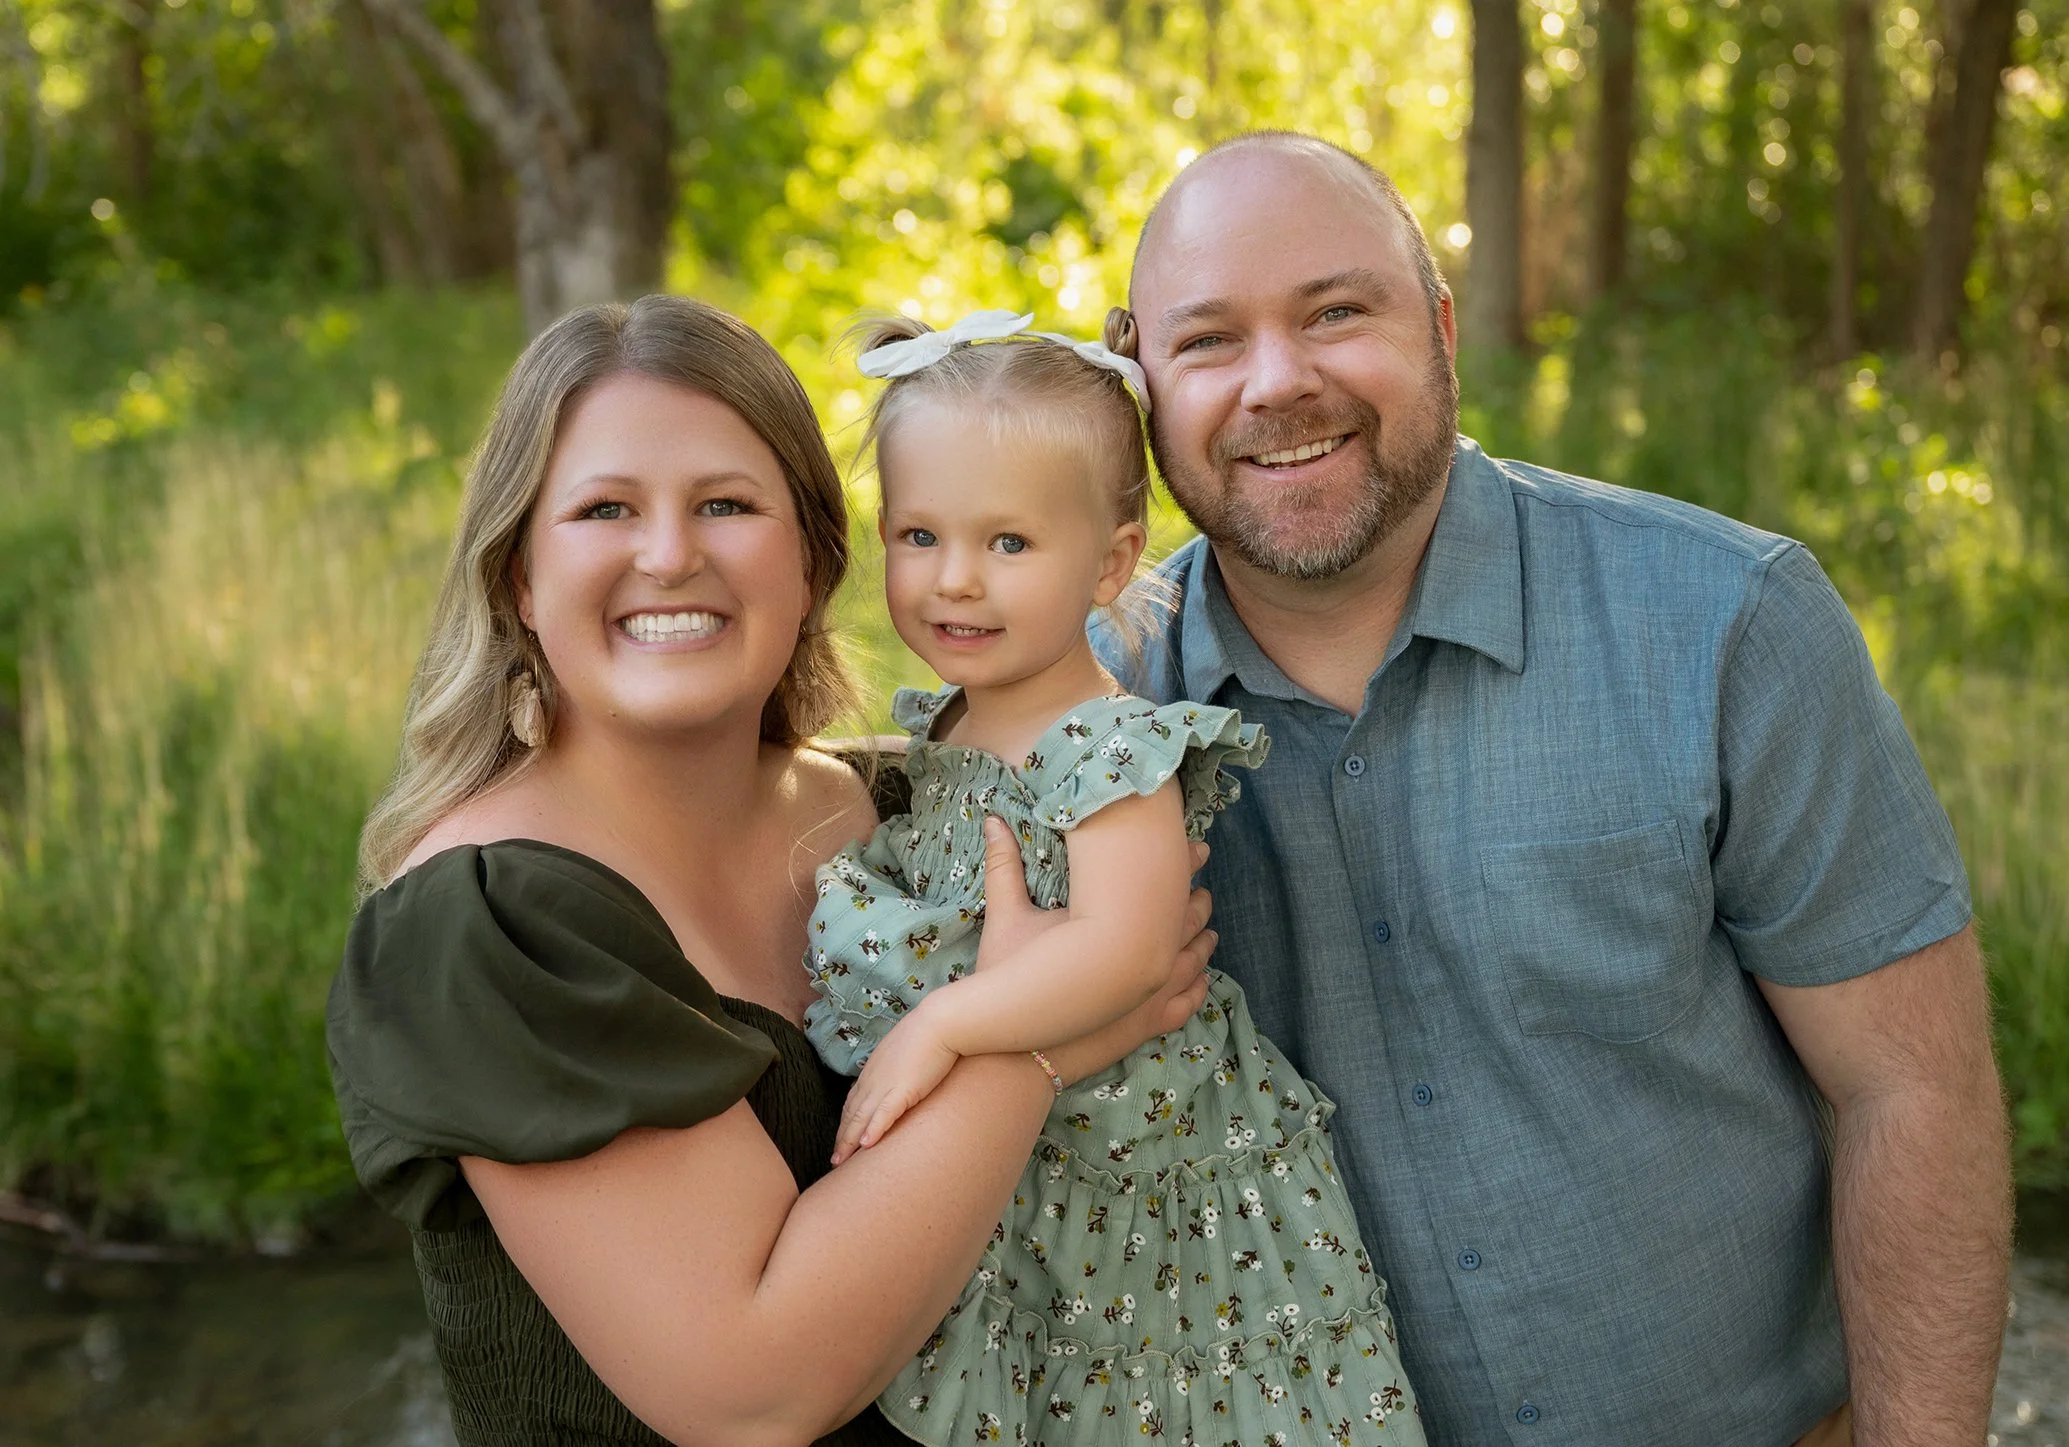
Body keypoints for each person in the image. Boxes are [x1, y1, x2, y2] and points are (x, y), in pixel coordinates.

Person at [1105, 131, 2011, 1447]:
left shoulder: (1722, 624)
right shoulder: (1090, 721)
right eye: (1206, 341)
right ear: (1139, 373)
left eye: (1335, 312)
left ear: (1441, 327)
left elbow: (1911, 1090)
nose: (1276, 382)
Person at [324, 294, 1218, 1447]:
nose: (668, 554)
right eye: (604, 508)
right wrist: (1032, 1041)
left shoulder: (919, 799)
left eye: (726, 504)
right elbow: (749, 1393)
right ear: (519, 583)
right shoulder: (486, 921)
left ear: (810, 563)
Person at [799, 310, 1427, 1446]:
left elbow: (1126, 946)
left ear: (1111, 559)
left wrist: (943, 1026)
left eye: (1007, 545)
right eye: (917, 536)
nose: (954, 582)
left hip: (1156, 1188)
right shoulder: (951, 724)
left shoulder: (1106, 741)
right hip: (1037, 1174)